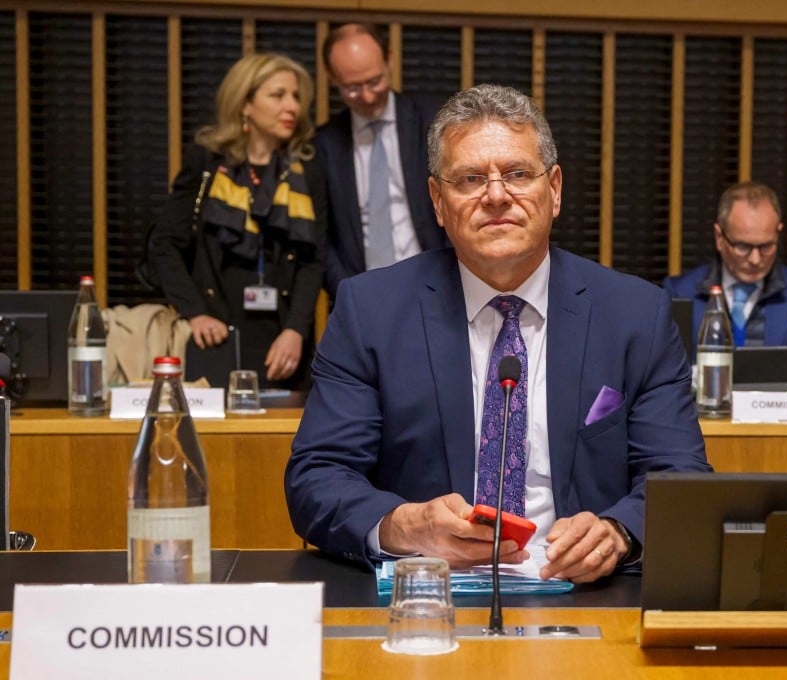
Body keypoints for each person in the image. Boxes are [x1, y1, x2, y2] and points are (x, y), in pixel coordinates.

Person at [285, 84, 711, 584]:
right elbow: (317, 477)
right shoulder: (371, 311)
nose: (495, 195)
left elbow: (680, 477)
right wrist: (405, 526)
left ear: (554, 189)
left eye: (517, 174)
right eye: (470, 179)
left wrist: (618, 534)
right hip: (427, 593)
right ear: (437, 201)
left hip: (585, 594)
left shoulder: (635, 314)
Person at [149, 53, 326, 390]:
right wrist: (195, 313)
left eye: (296, 96)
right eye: (278, 95)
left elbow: (313, 261)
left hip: (283, 341)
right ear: (245, 103)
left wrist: (296, 330)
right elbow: (165, 245)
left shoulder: (306, 169)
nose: (292, 106)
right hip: (215, 334)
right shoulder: (206, 162)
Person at [663, 181, 787, 394]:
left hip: (777, 413)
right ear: (719, 237)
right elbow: (659, 377)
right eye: (743, 246)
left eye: (766, 246)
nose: (755, 259)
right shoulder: (679, 292)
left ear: (778, 233)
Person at [315, 23, 447, 297]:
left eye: (374, 81)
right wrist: (349, 293)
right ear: (332, 78)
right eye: (352, 88)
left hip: (437, 287)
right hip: (361, 296)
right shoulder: (324, 145)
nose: (367, 95)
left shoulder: (433, 122)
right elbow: (322, 239)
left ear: (389, 60)